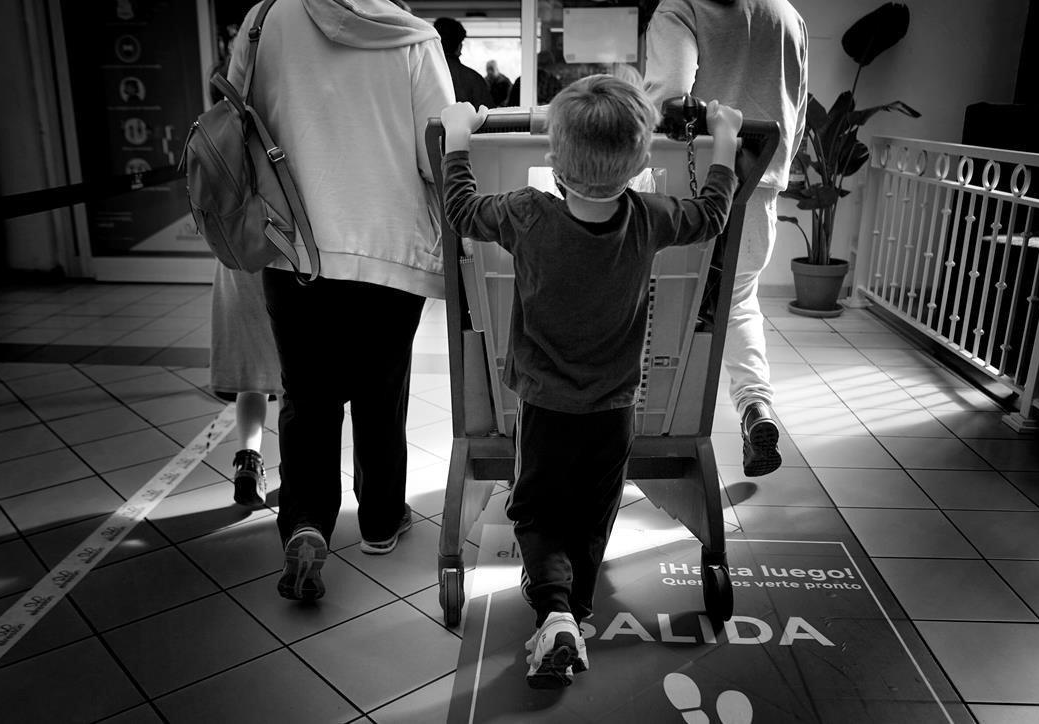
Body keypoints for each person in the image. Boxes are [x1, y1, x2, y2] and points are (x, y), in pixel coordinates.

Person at [440, 75, 742, 688]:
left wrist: (455, 139)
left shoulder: (525, 215)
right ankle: (574, 613)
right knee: (593, 512)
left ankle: (555, 612)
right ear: (639, 160)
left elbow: (462, 210)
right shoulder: (650, 218)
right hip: (615, 408)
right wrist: (726, 143)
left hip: (543, 407)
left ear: (552, 157)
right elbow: (711, 216)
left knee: (537, 510)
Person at [225, 0, 453, 602]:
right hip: (388, 249)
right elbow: (440, 154)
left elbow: (237, 120)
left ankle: (305, 521)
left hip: (291, 245)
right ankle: (379, 523)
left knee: (307, 397)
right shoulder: (412, 36)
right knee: (381, 394)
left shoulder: (264, 18)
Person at [644, 0, 807, 478]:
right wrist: (771, 173)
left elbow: (668, 98)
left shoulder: (683, 8)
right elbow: (794, 110)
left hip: (690, 186)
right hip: (760, 186)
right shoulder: (787, 15)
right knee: (737, 302)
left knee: (665, 306)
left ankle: (662, 429)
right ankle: (756, 406)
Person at [209, 266, 280, 509]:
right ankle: (294, 469)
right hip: (286, 273)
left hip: (238, 272)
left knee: (251, 378)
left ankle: (248, 461)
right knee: (287, 381)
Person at [434, 17, 493, 108]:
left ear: (433, 44)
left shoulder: (420, 74)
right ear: (459, 47)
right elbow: (489, 117)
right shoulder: (475, 80)